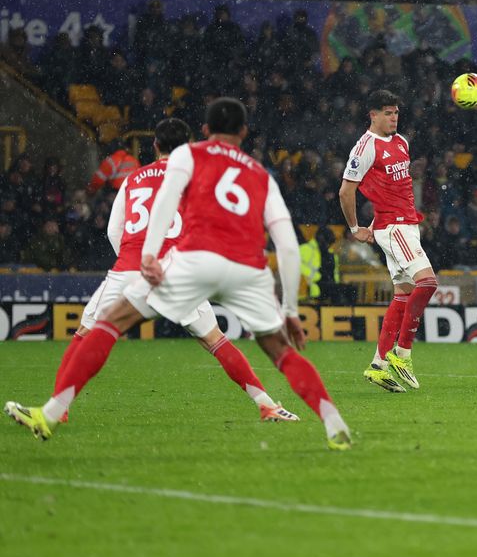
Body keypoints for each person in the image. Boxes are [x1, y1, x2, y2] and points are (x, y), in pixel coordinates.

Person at [4, 99, 351, 450]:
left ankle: (53, 412)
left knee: (105, 326)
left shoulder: (179, 162)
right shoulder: (259, 173)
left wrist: (150, 256)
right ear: (244, 132)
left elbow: (138, 219)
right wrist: (290, 309)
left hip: (178, 265)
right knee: (262, 348)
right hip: (243, 266)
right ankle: (317, 418)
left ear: (199, 133)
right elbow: (289, 247)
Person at [52, 118, 297, 423]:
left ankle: (58, 408)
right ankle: (266, 403)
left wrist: (136, 265)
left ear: (154, 145)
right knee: (216, 341)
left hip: (133, 267)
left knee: (86, 335)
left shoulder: (134, 178)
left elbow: (115, 230)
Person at [340, 90, 437, 394]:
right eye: (387, 113)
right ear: (373, 114)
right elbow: (346, 191)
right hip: (396, 229)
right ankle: (402, 355)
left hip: (403, 224)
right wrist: (356, 227)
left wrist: (373, 222)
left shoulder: (402, 142)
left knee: (403, 295)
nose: (394, 118)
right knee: (428, 283)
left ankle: (379, 365)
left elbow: (391, 190)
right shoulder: (365, 148)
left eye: (396, 112)